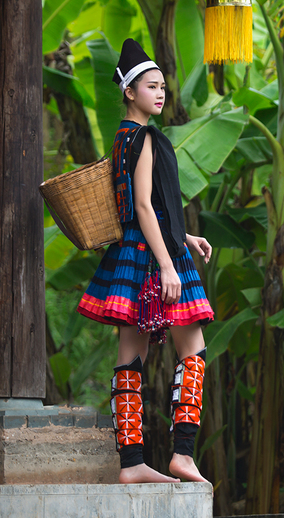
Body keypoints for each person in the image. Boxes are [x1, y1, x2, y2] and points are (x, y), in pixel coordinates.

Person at [77, 39, 214, 484]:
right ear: (129, 91)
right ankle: (183, 454)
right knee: (191, 348)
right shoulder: (148, 138)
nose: (161, 94)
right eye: (151, 86)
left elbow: (147, 205)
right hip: (154, 257)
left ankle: (132, 463)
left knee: (129, 358)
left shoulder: (122, 138)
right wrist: (170, 263)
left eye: (163, 87)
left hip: (129, 256)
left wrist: (186, 236)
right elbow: (142, 205)